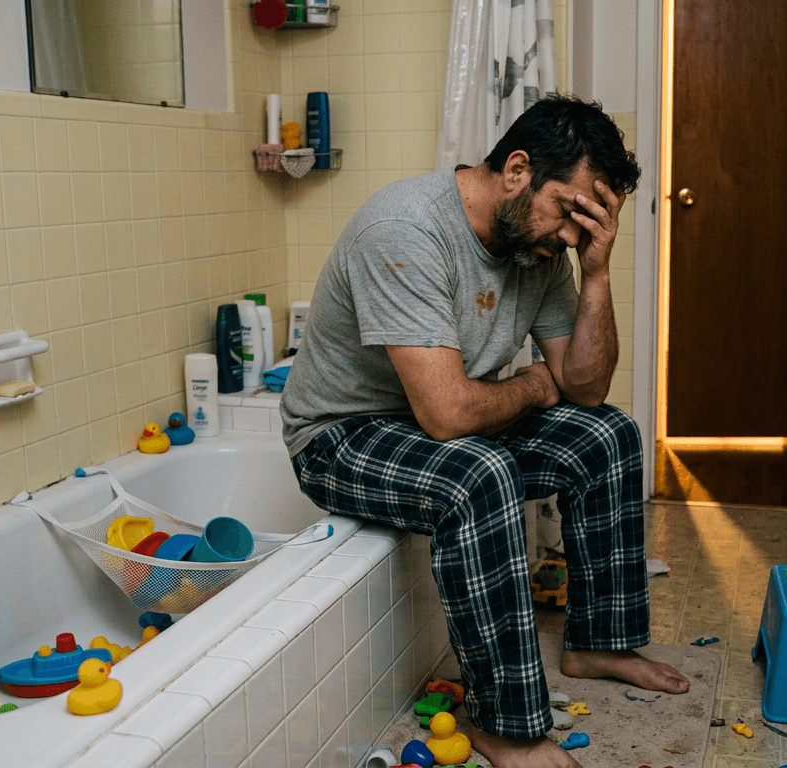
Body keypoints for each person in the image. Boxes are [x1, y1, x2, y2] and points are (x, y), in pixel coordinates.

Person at [280, 94, 688, 768]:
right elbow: (449, 415)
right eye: (568, 211)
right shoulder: (406, 229)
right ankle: (505, 726)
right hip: (341, 436)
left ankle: (599, 643)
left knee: (606, 435)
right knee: (479, 472)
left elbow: (586, 388)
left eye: (587, 222)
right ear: (517, 169)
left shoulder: (542, 249)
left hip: (438, 423)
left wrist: (596, 271)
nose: (570, 235)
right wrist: (533, 386)